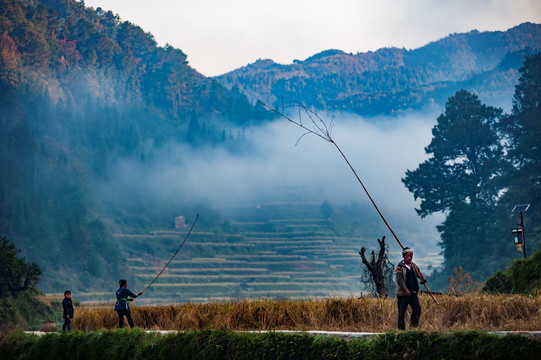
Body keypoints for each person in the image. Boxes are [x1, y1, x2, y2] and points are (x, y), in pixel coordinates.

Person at [395, 247, 426, 330]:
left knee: (417, 309)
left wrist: (422, 279)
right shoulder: (400, 267)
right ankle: (401, 331)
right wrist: (405, 290)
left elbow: (419, 273)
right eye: (408, 256)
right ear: (404, 256)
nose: (410, 258)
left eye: (411, 256)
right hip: (404, 294)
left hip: (413, 293)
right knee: (401, 314)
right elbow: (399, 280)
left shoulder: (413, 265)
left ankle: (413, 326)